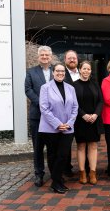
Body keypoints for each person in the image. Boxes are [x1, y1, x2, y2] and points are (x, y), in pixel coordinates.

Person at [38, 63, 78, 194]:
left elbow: (75, 107)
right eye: (58, 71)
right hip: (50, 128)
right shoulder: (45, 88)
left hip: (67, 128)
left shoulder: (70, 88)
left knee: (63, 155)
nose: (60, 73)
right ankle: (56, 182)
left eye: (62, 71)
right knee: (53, 155)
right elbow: (44, 108)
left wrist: (69, 123)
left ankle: (56, 181)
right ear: (53, 72)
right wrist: (57, 123)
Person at [24, 45, 53, 187]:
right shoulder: (31, 72)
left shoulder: (58, 71)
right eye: (42, 55)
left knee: (53, 146)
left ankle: (55, 173)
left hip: (54, 116)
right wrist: (41, 104)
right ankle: (39, 174)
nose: (45, 57)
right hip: (37, 115)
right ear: (38, 57)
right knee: (38, 146)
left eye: (47, 55)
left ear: (51, 56)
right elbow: (28, 90)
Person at [73, 61, 103, 185]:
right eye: (84, 69)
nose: (86, 71)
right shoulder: (73, 86)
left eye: (88, 69)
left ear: (91, 71)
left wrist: (95, 114)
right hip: (80, 120)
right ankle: (82, 173)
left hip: (94, 120)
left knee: (93, 146)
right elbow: (73, 103)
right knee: (81, 146)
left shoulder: (95, 84)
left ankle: (92, 172)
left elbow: (101, 101)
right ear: (80, 70)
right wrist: (83, 115)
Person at [62, 50, 79, 177]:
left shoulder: (84, 72)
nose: (72, 60)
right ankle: (66, 168)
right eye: (69, 58)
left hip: (83, 115)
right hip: (68, 115)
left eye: (74, 58)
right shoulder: (62, 74)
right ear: (65, 60)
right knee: (66, 144)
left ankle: (85, 167)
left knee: (83, 142)